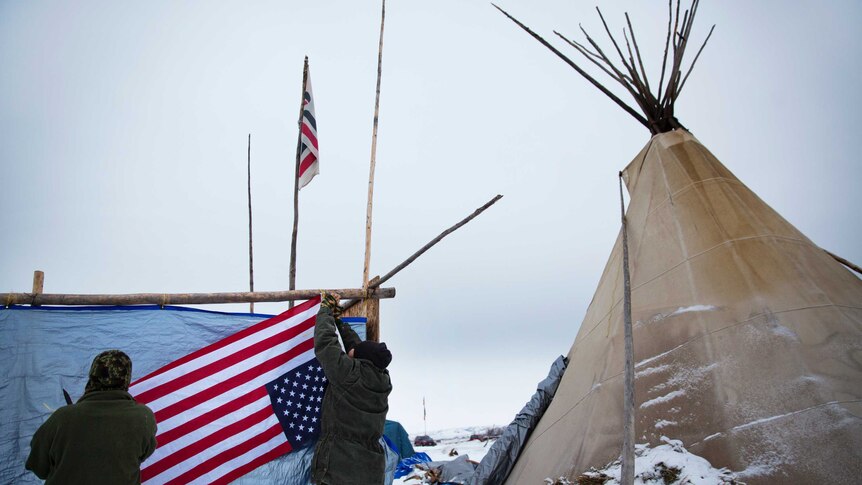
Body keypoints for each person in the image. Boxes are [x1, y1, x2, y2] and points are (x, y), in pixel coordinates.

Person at [26, 350, 157, 485]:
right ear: (126, 379)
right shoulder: (143, 417)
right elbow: (143, 454)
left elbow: (39, 467)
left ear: (92, 376)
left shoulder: (62, 418)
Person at [311, 292, 393, 485]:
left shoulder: (349, 374)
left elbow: (325, 344)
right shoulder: (382, 381)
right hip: (370, 472)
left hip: (339, 471)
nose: (349, 351)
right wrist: (338, 320)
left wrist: (325, 312)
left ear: (360, 358)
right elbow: (358, 346)